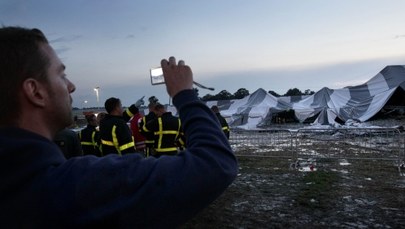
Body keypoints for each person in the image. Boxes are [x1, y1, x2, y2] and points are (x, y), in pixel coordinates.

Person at [0, 26, 238, 228]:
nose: (71, 86)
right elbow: (216, 164)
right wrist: (185, 94)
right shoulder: (72, 186)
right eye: (61, 75)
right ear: (35, 91)